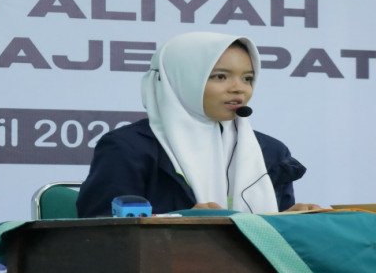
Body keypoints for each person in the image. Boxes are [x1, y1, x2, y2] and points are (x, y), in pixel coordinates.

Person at [76, 31, 319, 217]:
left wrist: (292, 220)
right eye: (220, 76)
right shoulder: (128, 148)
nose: (239, 88)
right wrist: (183, 221)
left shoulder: (272, 152)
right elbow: (99, 230)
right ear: (181, 80)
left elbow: (278, 229)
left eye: (248, 78)